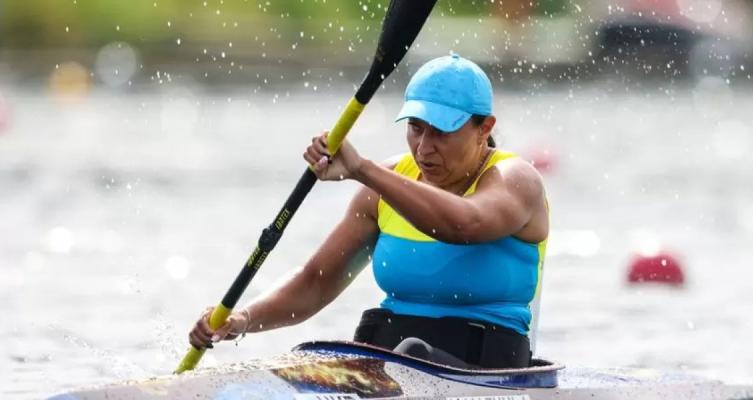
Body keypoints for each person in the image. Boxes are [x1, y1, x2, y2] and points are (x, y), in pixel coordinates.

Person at [189, 54, 549, 369]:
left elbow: (464, 223)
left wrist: (363, 169)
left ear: (484, 128)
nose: (424, 148)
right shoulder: (386, 184)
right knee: (309, 357)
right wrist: (241, 319)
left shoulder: (515, 180)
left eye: (441, 133)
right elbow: (316, 281)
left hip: (486, 370)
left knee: (411, 354)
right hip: (390, 359)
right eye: (415, 129)